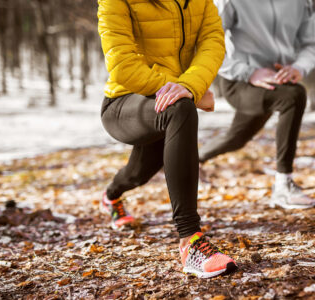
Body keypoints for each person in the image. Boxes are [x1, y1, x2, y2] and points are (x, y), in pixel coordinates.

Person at [97, 0, 236, 278]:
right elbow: (122, 64)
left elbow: (213, 42)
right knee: (179, 108)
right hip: (124, 103)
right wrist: (180, 90)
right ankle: (191, 241)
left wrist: (189, 86)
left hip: (173, 98)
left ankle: (111, 196)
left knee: (137, 174)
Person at [200, 0, 315, 209]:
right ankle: (283, 185)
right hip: (240, 82)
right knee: (294, 96)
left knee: (236, 138)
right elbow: (207, 43)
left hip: (277, 82)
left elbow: (310, 44)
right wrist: (249, 73)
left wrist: (299, 68)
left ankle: (195, 158)